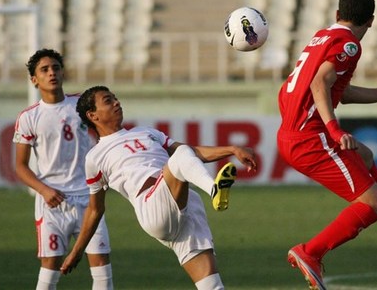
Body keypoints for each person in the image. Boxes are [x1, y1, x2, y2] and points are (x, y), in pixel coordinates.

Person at [277, 0, 377, 289]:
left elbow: (339, 91)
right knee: (373, 202)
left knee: (364, 156)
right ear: (372, 21)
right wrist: (334, 129)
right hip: (308, 138)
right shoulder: (349, 44)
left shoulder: (322, 37)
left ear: (338, 15)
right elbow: (320, 84)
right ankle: (310, 252)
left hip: (293, 133)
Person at [59, 85, 258, 290]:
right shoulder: (95, 156)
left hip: (185, 204)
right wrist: (77, 252)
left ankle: (213, 190)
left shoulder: (146, 132)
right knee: (181, 155)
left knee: (212, 285)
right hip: (151, 206)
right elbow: (95, 209)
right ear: (93, 115)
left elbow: (193, 153)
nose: (117, 102)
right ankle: (214, 189)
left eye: (115, 98)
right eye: (108, 101)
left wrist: (233, 149)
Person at [13, 49, 113, 290]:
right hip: (52, 203)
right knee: (49, 269)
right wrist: (45, 190)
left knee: (101, 268)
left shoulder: (81, 105)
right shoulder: (29, 117)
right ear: (34, 80)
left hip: (89, 199)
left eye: (56, 67)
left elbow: (107, 132)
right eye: (44, 70)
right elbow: (20, 166)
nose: (52, 73)